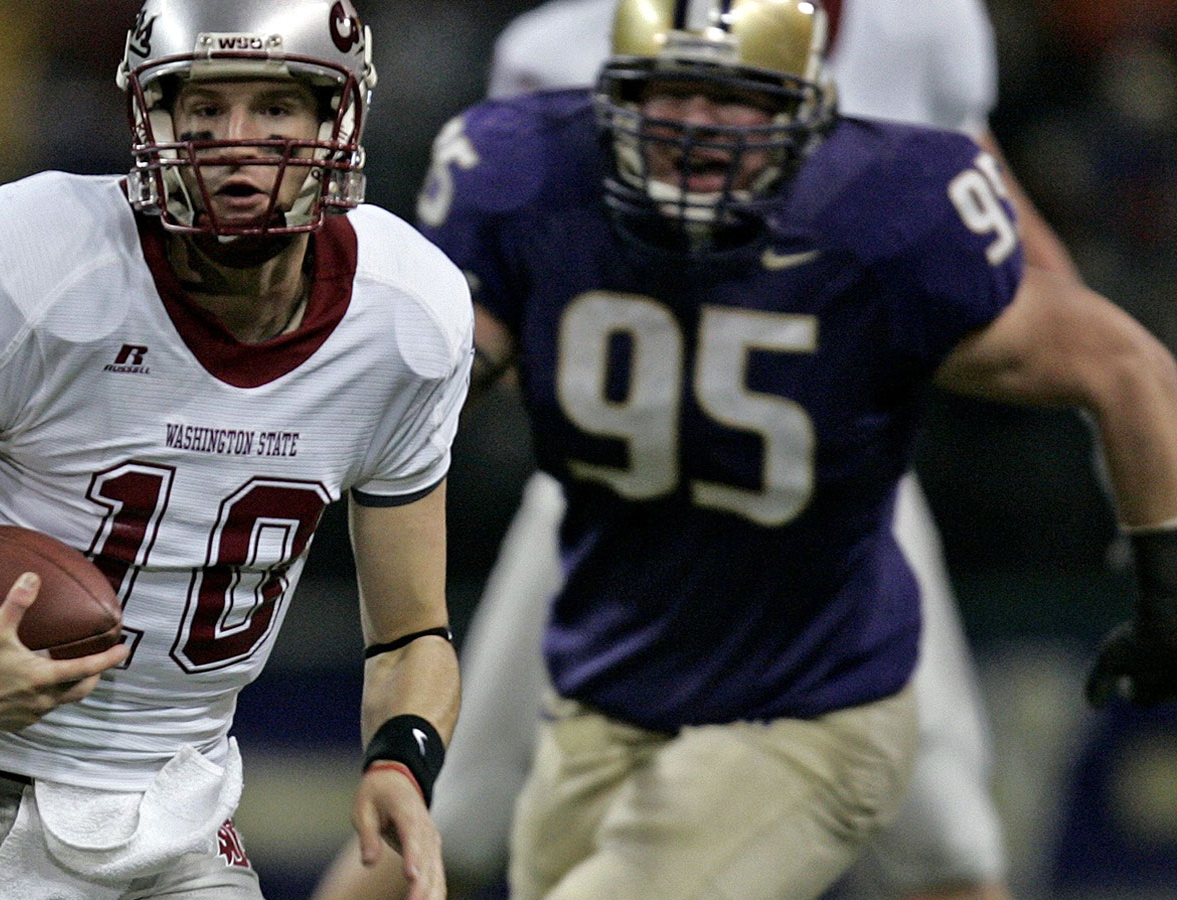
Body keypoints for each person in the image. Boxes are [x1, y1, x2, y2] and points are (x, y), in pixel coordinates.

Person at [331, 0, 1177, 899]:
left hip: (809, 707)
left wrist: (1166, 573)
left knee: (949, 851)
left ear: (803, 111)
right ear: (613, 96)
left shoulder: (886, 211)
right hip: (606, 687)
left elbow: (1118, 360)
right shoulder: (530, 168)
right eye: (669, 92)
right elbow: (456, 363)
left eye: (731, 99)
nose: (696, 128)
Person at [0, 2, 472, 898]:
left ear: (338, 118)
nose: (235, 140)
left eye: (276, 108)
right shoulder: (42, 263)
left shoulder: (407, 317)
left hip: (187, 803)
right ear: (149, 118)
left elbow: (410, 638)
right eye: (201, 109)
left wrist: (401, 760)